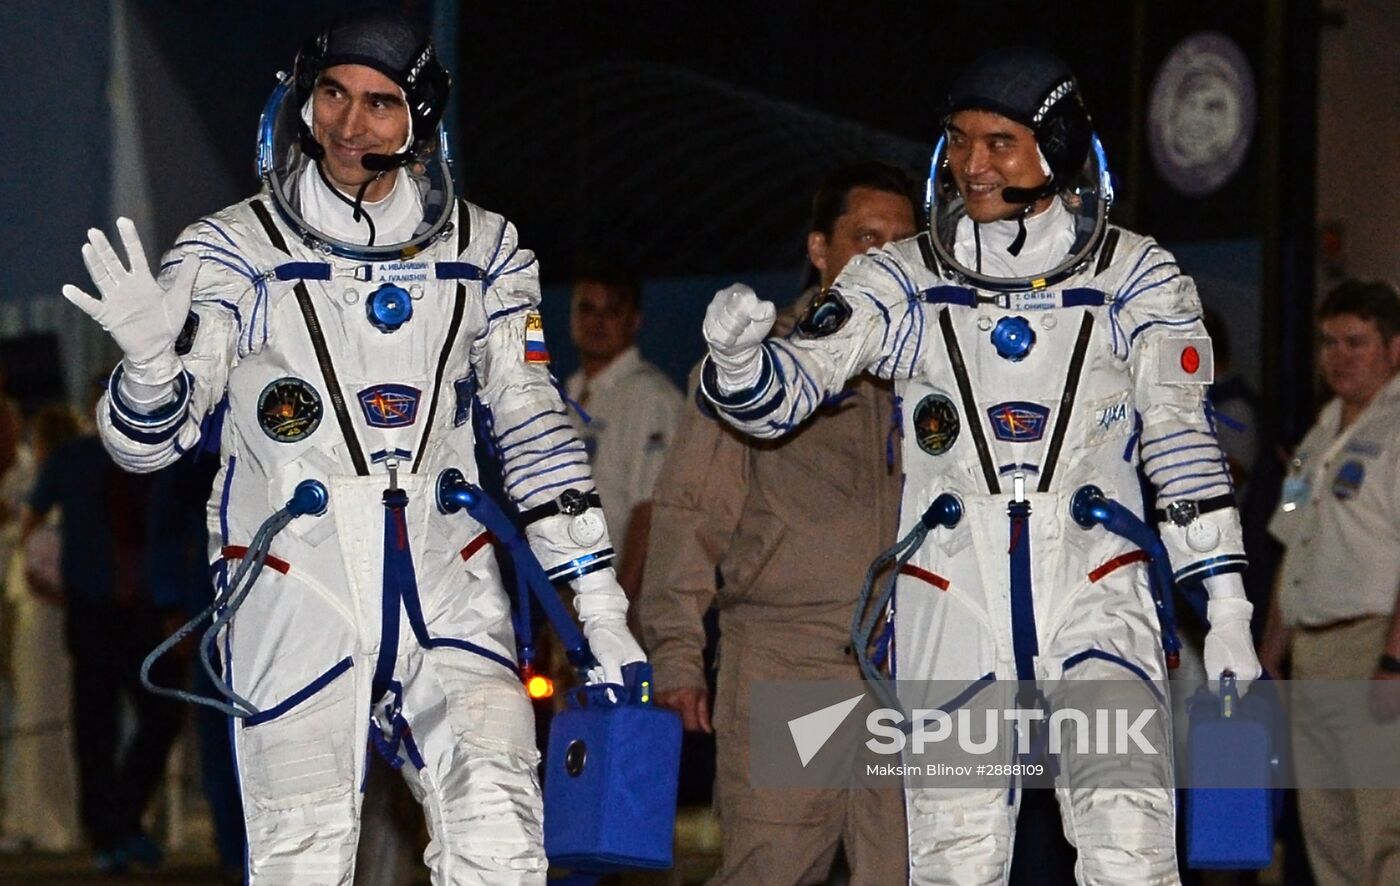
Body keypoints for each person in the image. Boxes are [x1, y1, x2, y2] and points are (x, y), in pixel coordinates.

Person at [61, 8, 644, 883]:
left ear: (419, 120)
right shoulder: (232, 250)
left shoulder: (485, 253)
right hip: (297, 583)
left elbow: (535, 432)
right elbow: (151, 446)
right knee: (304, 855)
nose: (348, 124)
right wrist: (148, 367)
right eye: (333, 94)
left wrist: (599, 612)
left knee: (503, 840)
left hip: (450, 580)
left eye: (378, 103)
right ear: (302, 101)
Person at [696, 48, 1261, 884]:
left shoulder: (1137, 277)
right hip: (952, 595)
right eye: (960, 141)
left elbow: (1182, 444)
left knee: (1130, 852)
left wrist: (1227, 606)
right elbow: (793, 389)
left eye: (1000, 141)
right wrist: (739, 362)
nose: (973, 164)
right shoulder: (906, 280)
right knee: (954, 862)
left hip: (1097, 588)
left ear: (1060, 145)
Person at [640, 161, 915, 884]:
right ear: (820, 249)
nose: (885, 257)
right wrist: (675, 654)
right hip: (792, 665)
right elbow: (689, 512)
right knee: (776, 870)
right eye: (866, 238)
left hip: (910, 675)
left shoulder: (935, 373)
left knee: (913, 874)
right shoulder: (757, 367)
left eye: (901, 242)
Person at [1258, 279, 1400, 885]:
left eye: (1356, 342)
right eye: (1328, 343)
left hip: (1370, 647)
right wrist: (1268, 660)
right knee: (1325, 830)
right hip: (1311, 654)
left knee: (1384, 832)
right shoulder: (1321, 431)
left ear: (1395, 349)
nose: (1338, 357)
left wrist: (1394, 662)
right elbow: (1295, 550)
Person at [20, 389, 183, 873]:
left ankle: (122, 821)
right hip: (91, 608)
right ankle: (109, 835)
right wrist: (50, 577)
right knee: (96, 728)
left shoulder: (161, 459)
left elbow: (178, 527)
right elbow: (32, 524)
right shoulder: (71, 458)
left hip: (147, 610)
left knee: (161, 717)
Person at [565, 259, 682, 603]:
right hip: (573, 604)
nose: (597, 321)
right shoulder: (568, 394)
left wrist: (620, 606)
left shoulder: (651, 396)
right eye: (587, 308)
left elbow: (651, 511)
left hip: (626, 604)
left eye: (612, 311)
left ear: (634, 320)